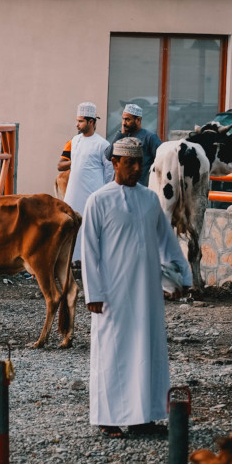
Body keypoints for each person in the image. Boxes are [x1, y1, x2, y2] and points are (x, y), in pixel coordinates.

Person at [81, 137, 191, 439]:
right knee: (112, 355)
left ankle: (145, 416)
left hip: (147, 294)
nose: (136, 168)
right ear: (115, 162)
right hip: (112, 295)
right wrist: (94, 293)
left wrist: (183, 278)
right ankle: (109, 418)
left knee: (147, 352)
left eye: (140, 162)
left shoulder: (149, 200)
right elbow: (89, 251)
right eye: (130, 162)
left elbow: (166, 242)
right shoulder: (98, 201)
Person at [63, 101, 113, 263]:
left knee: (89, 227)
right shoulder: (75, 141)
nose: (77, 124)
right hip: (72, 193)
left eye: (80, 121)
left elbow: (109, 171)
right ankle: (70, 260)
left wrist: (101, 191)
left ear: (91, 122)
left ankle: (89, 261)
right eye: (77, 121)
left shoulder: (103, 144)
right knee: (70, 225)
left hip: (92, 195)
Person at [104, 103, 162, 184]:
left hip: (140, 187)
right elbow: (108, 156)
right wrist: (120, 134)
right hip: (121, 186)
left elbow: (162, 160)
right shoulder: (122, 135)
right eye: (123, 119)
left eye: (127, 119)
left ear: (138, 120)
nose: (123, 123)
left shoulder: (150, 138)